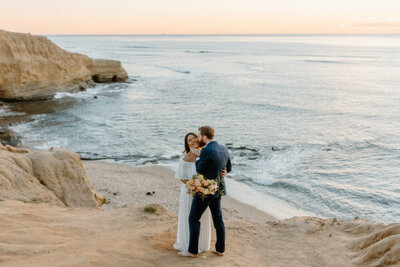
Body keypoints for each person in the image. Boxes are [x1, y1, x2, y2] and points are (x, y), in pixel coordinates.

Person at [179, 126, 232, 258]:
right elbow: (228, 168)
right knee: (218, 219)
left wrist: (197, 157)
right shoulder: (223, 148)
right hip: (218, 189)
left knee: (193, 218)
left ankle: (192, 251)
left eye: (198, 135)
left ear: (204, 136)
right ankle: (220, 249)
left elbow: (199, 170)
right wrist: (223, 172)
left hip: (206, 190)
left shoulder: (206, 150)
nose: (197, 138)